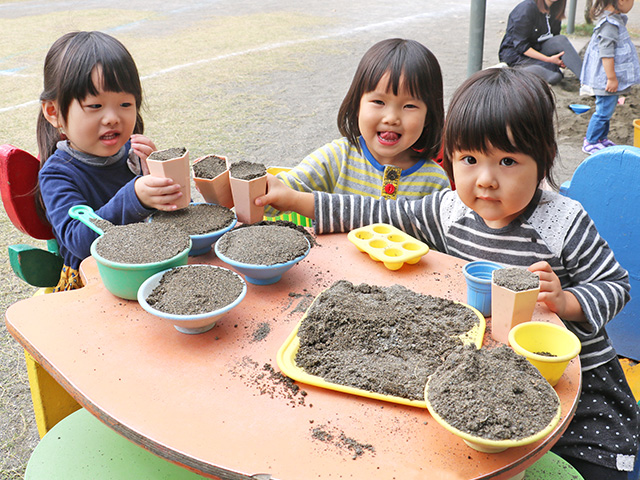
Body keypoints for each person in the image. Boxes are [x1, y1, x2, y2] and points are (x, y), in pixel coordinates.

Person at [257, 67, 639, 480]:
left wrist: (569, 302)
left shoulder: (563, 221)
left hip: (569, 376)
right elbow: (378, 212)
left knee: (606, 469)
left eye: (508, 161)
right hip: (481, 372)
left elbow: (617, 285)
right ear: (451, 158)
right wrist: (295, 198)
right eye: (470, 160)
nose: (486, 180)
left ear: (543, 159)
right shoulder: (450, 210)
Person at [37, 31, 184, 291]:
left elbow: (179, 215)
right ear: (54, 112)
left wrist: (160, 174)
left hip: (148, 266)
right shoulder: (57, 174)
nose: (112, 118)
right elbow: (77, 241)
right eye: (95, 106)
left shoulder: (136, 153)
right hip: (94, 283)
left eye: (125, 103)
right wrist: (135, 197)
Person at [263, 38, 449, 218]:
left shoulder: (435, 183)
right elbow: (280, 195)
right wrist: (256, 190)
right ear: (357, 105)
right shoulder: (338, 157)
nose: (391, 118)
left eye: (409, 106)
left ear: (428, 116)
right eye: (378, 101)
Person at [580, 0, 640, 153]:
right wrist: (611, 78)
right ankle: (591, 140)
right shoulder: (609, 24)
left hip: (606, 77)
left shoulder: (614, 20)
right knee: (603, 111)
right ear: (621, 1)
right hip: (605, 78)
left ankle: (601, 138)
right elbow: (606, 53)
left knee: (607, 109)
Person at [499, 0, 583, 85]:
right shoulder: (527, 8)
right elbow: (521, 46)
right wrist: (548, 59)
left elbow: (554, 36)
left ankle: (586, 82)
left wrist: (563, 59)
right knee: (554, 76)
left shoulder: (556, 7)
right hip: (517, 55)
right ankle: (510, 72)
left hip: (538, 48)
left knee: (560, 40)